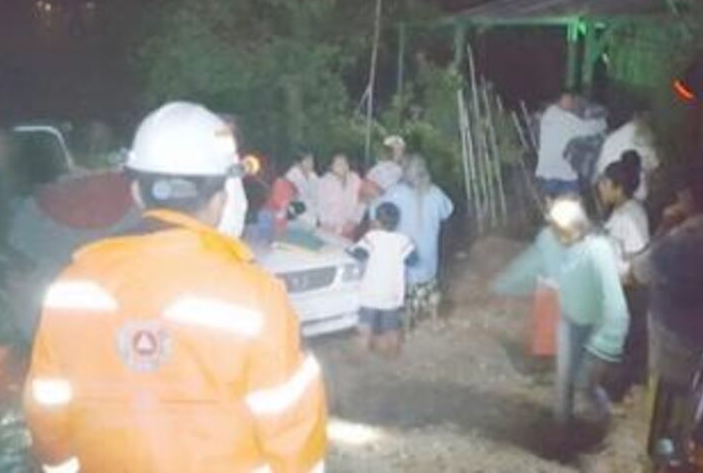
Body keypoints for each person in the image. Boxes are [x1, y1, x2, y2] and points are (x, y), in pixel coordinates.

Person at [24, 102, 327, 473]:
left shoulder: (70, 288)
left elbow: (48, 415)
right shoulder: (256, 297)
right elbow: (293, 437)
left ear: (136, 192)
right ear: (224, 196)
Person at [493, 198, 629, 432]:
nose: (554, 232)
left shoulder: (598, 250)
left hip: (595, 324)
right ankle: (561, 432)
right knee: (564, 380)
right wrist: (502, 285)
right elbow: (531, 267)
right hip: (570, 320)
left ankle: (600, 419)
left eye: (558, 228)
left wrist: (610, 341)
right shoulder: (550, 240)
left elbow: (615, 303)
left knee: (584, 384)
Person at [633, 164, 703, 455]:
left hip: (673, 359)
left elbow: (640, 271)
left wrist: (665, 226)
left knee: (665, 437)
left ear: (690, 198)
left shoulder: (682, 241)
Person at [376, 155, 453, 326]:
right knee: (429, 284)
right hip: (429, 255)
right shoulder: (435, 192)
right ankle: (434, 320)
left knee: (406, 287)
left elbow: (378, 211)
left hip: (406, 256)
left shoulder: (396, 192)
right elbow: (447, 211)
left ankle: (407, 323)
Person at [348, 202, 417, 357]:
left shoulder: (371, 237)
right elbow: (413, 260)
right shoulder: (403, 240)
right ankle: (392, 355)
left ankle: (360, 358)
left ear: (376, 221)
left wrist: (349, 250)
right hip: (392, 293)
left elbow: (359, 254)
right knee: (391, 328)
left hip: (370, 292)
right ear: (397, 222)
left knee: (364, 327)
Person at [535, 90, 606, 197]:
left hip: (547, 172)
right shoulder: (564, 118)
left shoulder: (549, 114)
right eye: (568, 100)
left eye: (572, 100)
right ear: (559, 100)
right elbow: (589, 128)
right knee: (570, 207)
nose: (571, 103)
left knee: (550, 206)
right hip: (563, 175)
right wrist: (603, 123)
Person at [596, 151, 650, 277]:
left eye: (605, 183)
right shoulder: (618, 211)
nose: (600, 187)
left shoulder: (630, 216)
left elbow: (636, 263)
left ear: (618, 189)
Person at [593, 105, 660, 201]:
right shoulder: (644, 140)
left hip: (603, 188)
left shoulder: (617, 135)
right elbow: (653, 167)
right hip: (622, 194)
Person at [317, 153, 364, 239]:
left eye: (345, 163)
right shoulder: (323, 182)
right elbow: (320, 206)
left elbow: (362, 201)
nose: (343, 167)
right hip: (329, 229)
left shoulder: (356, 180)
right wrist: (325, 224)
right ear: (331, 166)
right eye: (338, 164)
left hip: (349, 228)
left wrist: (355, 221)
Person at [362, 135, 407, 201]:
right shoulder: (378, 168)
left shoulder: (403, 169)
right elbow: (368, 187)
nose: (399, 153)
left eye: (401, 149)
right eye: (396, 149)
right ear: (389, 151)